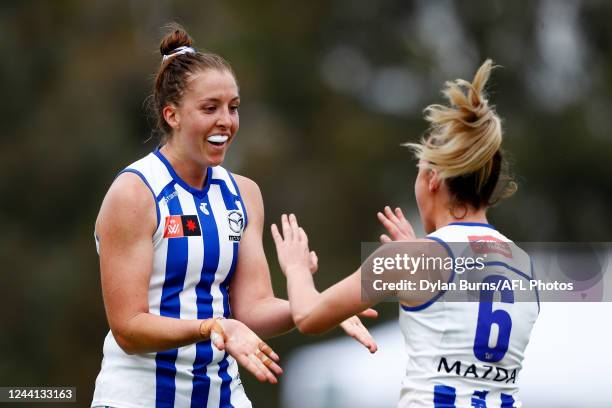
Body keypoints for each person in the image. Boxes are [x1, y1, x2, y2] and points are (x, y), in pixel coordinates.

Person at [91, 24, 377, 408]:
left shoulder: (243, 193)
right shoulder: (135, 193)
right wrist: (213, 326)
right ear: (172, 115)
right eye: (210, 108)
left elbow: (253, 309)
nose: (226, 121)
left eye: (233, 107)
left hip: (222, 396)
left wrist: (314, 305)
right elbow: (128, 328)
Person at [272, 60, 539, 407]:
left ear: (432, 179)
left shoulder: (412, 261)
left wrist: (295, 268)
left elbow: (307, 316)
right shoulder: (525, 266)